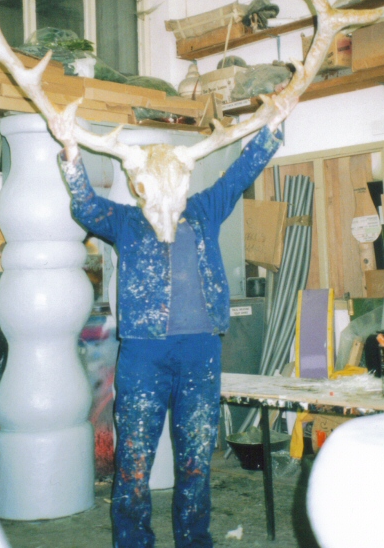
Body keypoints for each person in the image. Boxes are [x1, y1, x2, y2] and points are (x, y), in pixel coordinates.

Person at [59, 123, 283, 547]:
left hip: (201, 352)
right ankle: (133, 542)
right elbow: (85, 207)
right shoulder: (124, 222)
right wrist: (71, 153)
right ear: (140, 185)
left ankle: (195, 541)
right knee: (134, 463)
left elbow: (240, 173)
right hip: (144, 355)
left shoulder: (203, 210)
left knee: (196, 460)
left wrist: (274, 127)